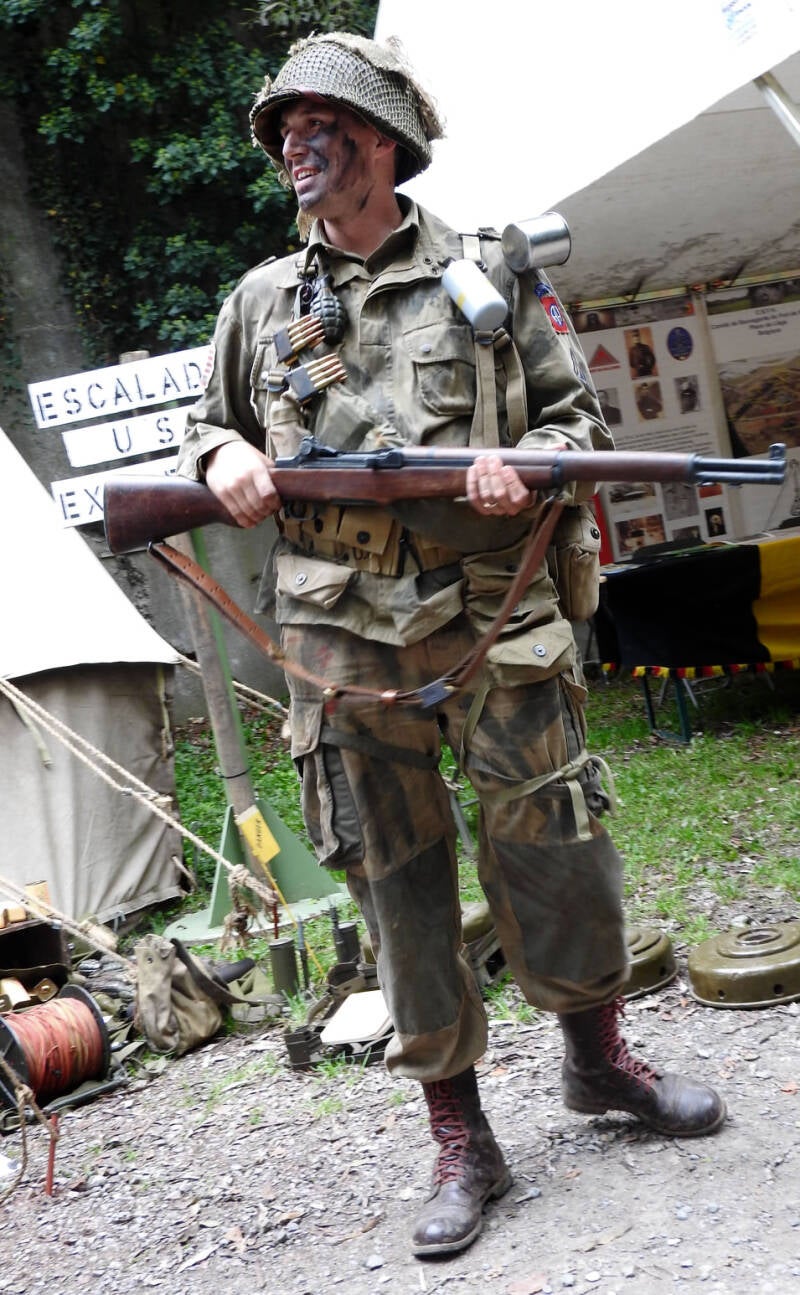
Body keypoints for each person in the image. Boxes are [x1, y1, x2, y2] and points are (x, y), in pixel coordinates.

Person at [177, 32, 725, 1260]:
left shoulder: (487, 272)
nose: (291, 147)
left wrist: (520, 464)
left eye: (315, 127)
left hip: (494, 613)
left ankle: (598, 1062)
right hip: (340, 634)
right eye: (281, 132)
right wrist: (224, 457)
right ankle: (460, 1136)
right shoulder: (262, 304)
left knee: (557, 848)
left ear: (379, 143)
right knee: (394, 880)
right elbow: (202, 428)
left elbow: (576, 420)